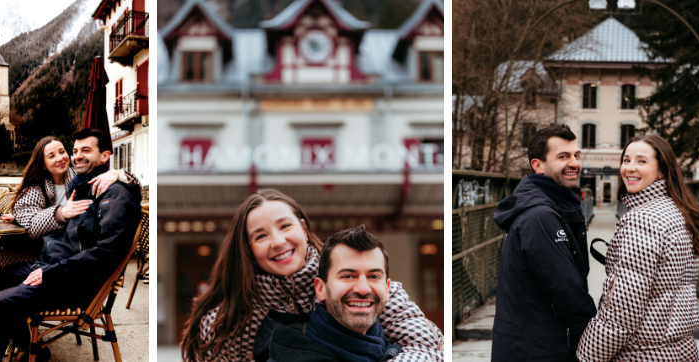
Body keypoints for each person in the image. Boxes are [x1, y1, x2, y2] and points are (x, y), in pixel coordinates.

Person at [181, 189, 444, 362]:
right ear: (248, 248)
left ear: (304, 229)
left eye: (285, 226)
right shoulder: (229, 318)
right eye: (261, 236)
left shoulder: (362, 287)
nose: (278, 241)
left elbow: (426, 346)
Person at [0, 129, 143, 361]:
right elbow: (38, 219)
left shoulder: (114, 192)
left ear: (105, 156)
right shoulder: (83, 186)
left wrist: (120, 175)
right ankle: (32, 347)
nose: (76, 156)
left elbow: (107, 253)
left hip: (71, 280)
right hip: (52, 265)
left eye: (86, 151)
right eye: (76, 151)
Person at [577, 135, 699, 361]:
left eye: (641, 161)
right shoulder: (680, 212)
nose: (630, 168)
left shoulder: (642, 220)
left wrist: (586, 356)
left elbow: (621, 314)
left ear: (663, 171)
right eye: (626, 160)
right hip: (681, 348)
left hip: (642, 353)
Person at [491, 124, 597, 361]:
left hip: (534, 344)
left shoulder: (551, 206)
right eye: (563, 157)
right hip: (536, 351)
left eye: (576, 155)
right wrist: (596, 340)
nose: (574, 163)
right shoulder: (539, 216)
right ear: (537, 165)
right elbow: (566, 288)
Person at [254, 225, 402, 362]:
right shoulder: (283, 355)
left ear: (387, 289)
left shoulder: (403, 351)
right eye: (348, 276)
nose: (363, 289)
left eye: (373, 276)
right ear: (320, 289)